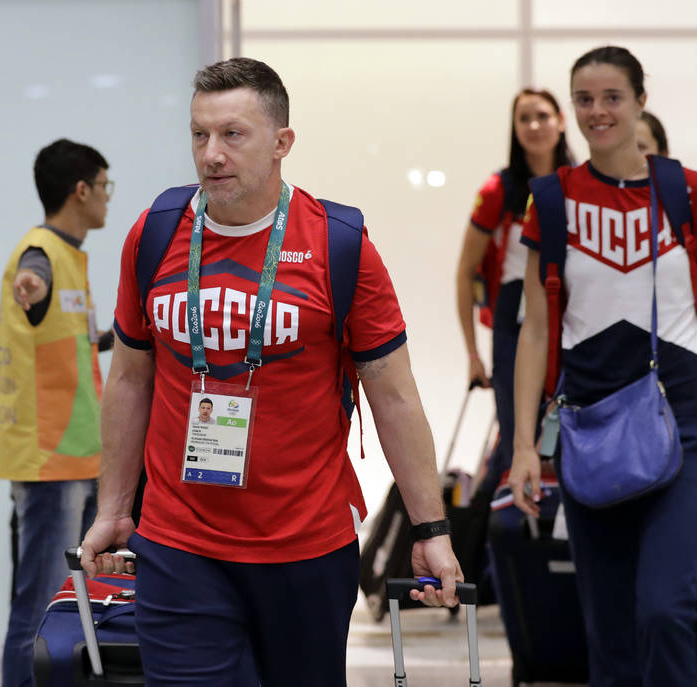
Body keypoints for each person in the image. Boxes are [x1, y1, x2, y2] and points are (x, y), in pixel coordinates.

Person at [80, 57, 461, 686]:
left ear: (282, 142)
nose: (211, 154)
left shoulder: (340, 244)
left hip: (305, 546)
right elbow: (128, 380)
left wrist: (432, 529)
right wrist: (114, 509)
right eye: (200, 134)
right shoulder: (155, 233)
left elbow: (393, 397)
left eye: (233, 134)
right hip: (178, 542)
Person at [508, 46, 697, 685]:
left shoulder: (688, 190)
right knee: (610, 627)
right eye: (584, 99)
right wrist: (523, 447)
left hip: (680, 421)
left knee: (664, 610)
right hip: (589, 424)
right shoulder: (551, 198)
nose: (597, 111)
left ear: (640, 101)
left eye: (612, 98)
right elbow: (535, 329)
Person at [0, 138, 113, 687]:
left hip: (81, 455)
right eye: (104, 186)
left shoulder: (70, 255)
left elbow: (77, 343)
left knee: (71, 605)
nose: (107, 197)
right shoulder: (40, 252)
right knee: (38, 608)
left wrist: (128, 337)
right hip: (49, 462)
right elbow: (32, 277)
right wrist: (32, 284)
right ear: (81, 190)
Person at [454, 88, 572, 497]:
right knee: (515, 434)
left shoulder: (581, 184)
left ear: (561, 121)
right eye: (524, 118)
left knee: (573, 431)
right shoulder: (498, 190)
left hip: (573, 314)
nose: (534, 126)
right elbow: (464, 273)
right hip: (514, 320)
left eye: (542, 116)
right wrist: (473, 354)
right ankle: (500, 528)